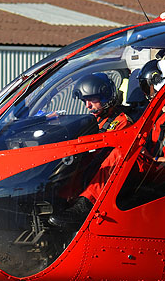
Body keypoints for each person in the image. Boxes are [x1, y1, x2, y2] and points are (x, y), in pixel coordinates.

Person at [48, 72, 131, 229]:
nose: (87, 106)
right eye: (84, 101)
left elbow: (112, 149)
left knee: (113, 156)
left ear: (105, 95)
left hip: (113, 170)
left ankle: (85, 204)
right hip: (94, 166)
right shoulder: (97, 120)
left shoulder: (122, 122)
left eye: (91, 100)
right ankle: (60, 200)